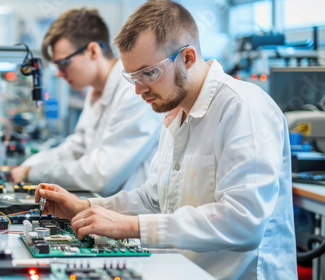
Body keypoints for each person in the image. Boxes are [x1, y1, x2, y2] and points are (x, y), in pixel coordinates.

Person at [34, 1, 297, 279]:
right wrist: (88, 207)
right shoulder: (175, 112)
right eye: (132, 76)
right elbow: (155, 198)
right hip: (183, 271)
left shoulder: (243, 108)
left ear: (188, 58)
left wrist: (131, 226)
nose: (138, 89)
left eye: (148, 73)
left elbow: (244, 223)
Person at [11, 8, 163, 197]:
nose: (58, 73)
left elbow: (102, 175)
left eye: (63, 63)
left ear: (92, 51)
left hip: (132, 214)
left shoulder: (133, 91)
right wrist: (30, 165)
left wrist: (35, 173)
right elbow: (78, 146)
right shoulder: (95, 91)